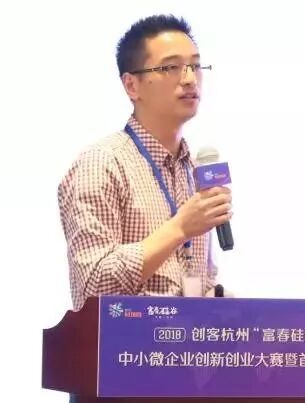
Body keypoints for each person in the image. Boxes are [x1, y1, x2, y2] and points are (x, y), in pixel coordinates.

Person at [58, 15, 232, 312]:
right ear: (132, 85)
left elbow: (197, 278)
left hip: (184, 339)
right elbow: (92, 288)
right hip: (128, 341)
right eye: (171, 68)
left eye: (195, 66)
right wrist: (179, 228)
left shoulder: (196, 171)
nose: (190, 79)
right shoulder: (102, 164)